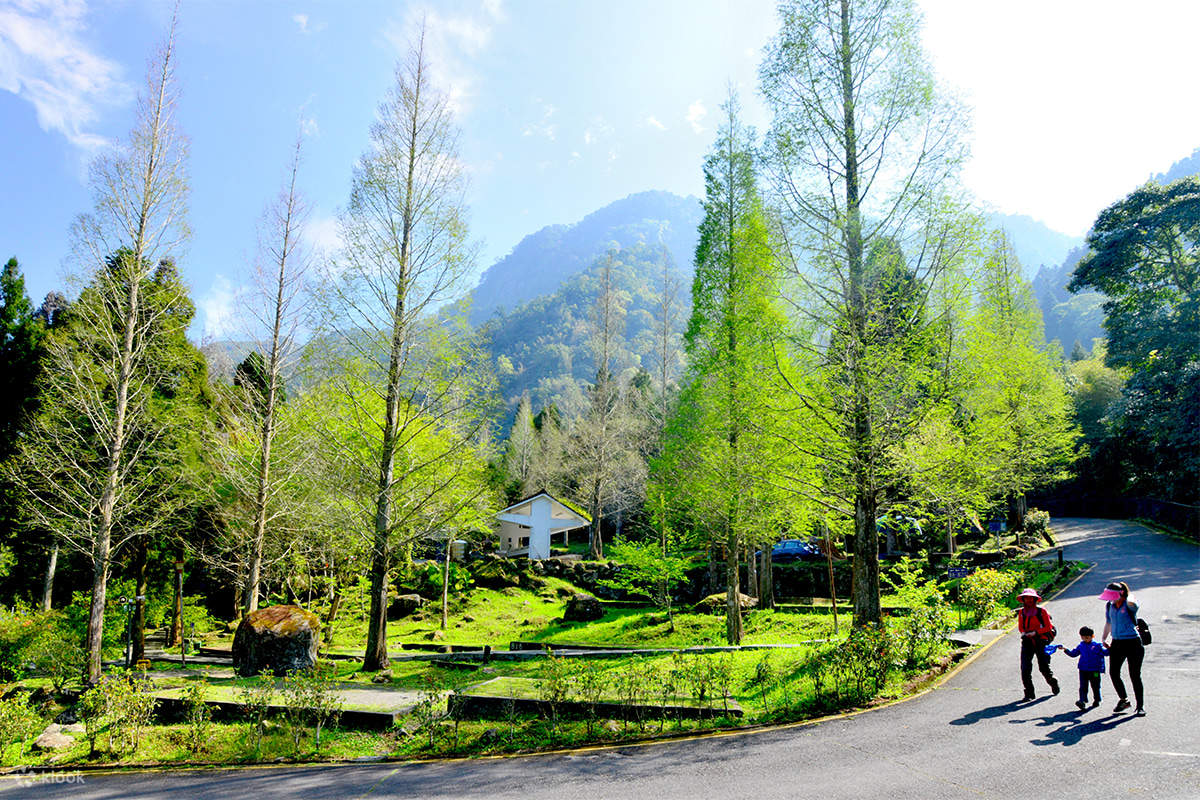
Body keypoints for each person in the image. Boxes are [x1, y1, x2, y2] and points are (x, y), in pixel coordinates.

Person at [1101, 581, 1145, 715]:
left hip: (1133, 642)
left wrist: (1125, 594)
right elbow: (1109, 623)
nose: (1110, 599)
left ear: (1121, 594)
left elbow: (1134, 604)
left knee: (1135, 675)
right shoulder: (1109, 606)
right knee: (1114, 673)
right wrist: (1104, 638)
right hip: (1117, 643)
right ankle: (1124, 699)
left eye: (1112, 596)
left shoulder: (1129, 604)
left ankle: (1140, 706)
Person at [1016, 587, 1059, 701]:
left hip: (1041, 641)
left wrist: (1035, 632)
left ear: (1035, 600)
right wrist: (1025, 633)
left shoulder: (1041, 611)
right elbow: (1021, 627)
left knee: (1043, 667)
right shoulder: (1021, 612)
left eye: (1031, 599)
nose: (1029, 601)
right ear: (1023, 600)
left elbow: (1048, 627)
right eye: (1026, 599)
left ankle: (1052, 681)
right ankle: (1029, 693)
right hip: (1027, 642)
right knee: (1025, 668)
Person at [1059, 626, 1107, 710]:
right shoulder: (1081, 645)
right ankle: (1082, 700)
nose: (1085, 639)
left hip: (1095, 670)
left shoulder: (1097, 646)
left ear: (1092, 636)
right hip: (1083, 669)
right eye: (1083, 637)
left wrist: (1111, 648)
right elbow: (1074, 654)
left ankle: (1097, 699)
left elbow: (1105, 653)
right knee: (1083, 686)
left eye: (1087, 637)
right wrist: (1065, 649)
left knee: (1095, 685)